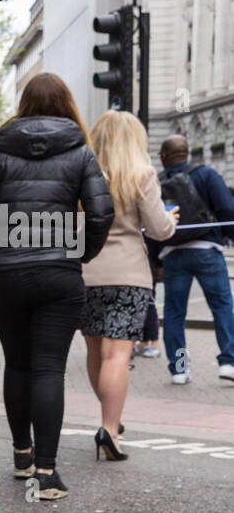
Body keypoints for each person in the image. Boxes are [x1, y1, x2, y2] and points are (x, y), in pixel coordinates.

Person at [0, 73, 114, 500]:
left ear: (24, 103)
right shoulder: (80, 151)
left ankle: (21, 456)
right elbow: (103, 212)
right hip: (59, 274)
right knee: (49, 368)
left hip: (7, 275)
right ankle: (46, 475)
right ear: (66, 103)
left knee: (18, 364)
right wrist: (79, 252)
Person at [81, 112, 177, 460]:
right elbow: (159, 229)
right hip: (129, 276)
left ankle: (109, 420)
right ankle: (110, 428)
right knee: (117, 355)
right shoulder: (142, 174)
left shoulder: (82, 174)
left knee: (96, 353)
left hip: (86, 273)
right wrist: (171, 218)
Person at [154, 134, 234, 384]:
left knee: (175, 313)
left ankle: (179, 369)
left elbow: (152, 225)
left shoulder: (157, 182)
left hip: (173, 254)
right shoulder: (206, 175)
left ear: (164, 156)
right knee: (222, 307)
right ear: (187, 153)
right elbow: (227, 209)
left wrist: (155, 262)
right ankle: (228, 363)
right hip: (207, 250)